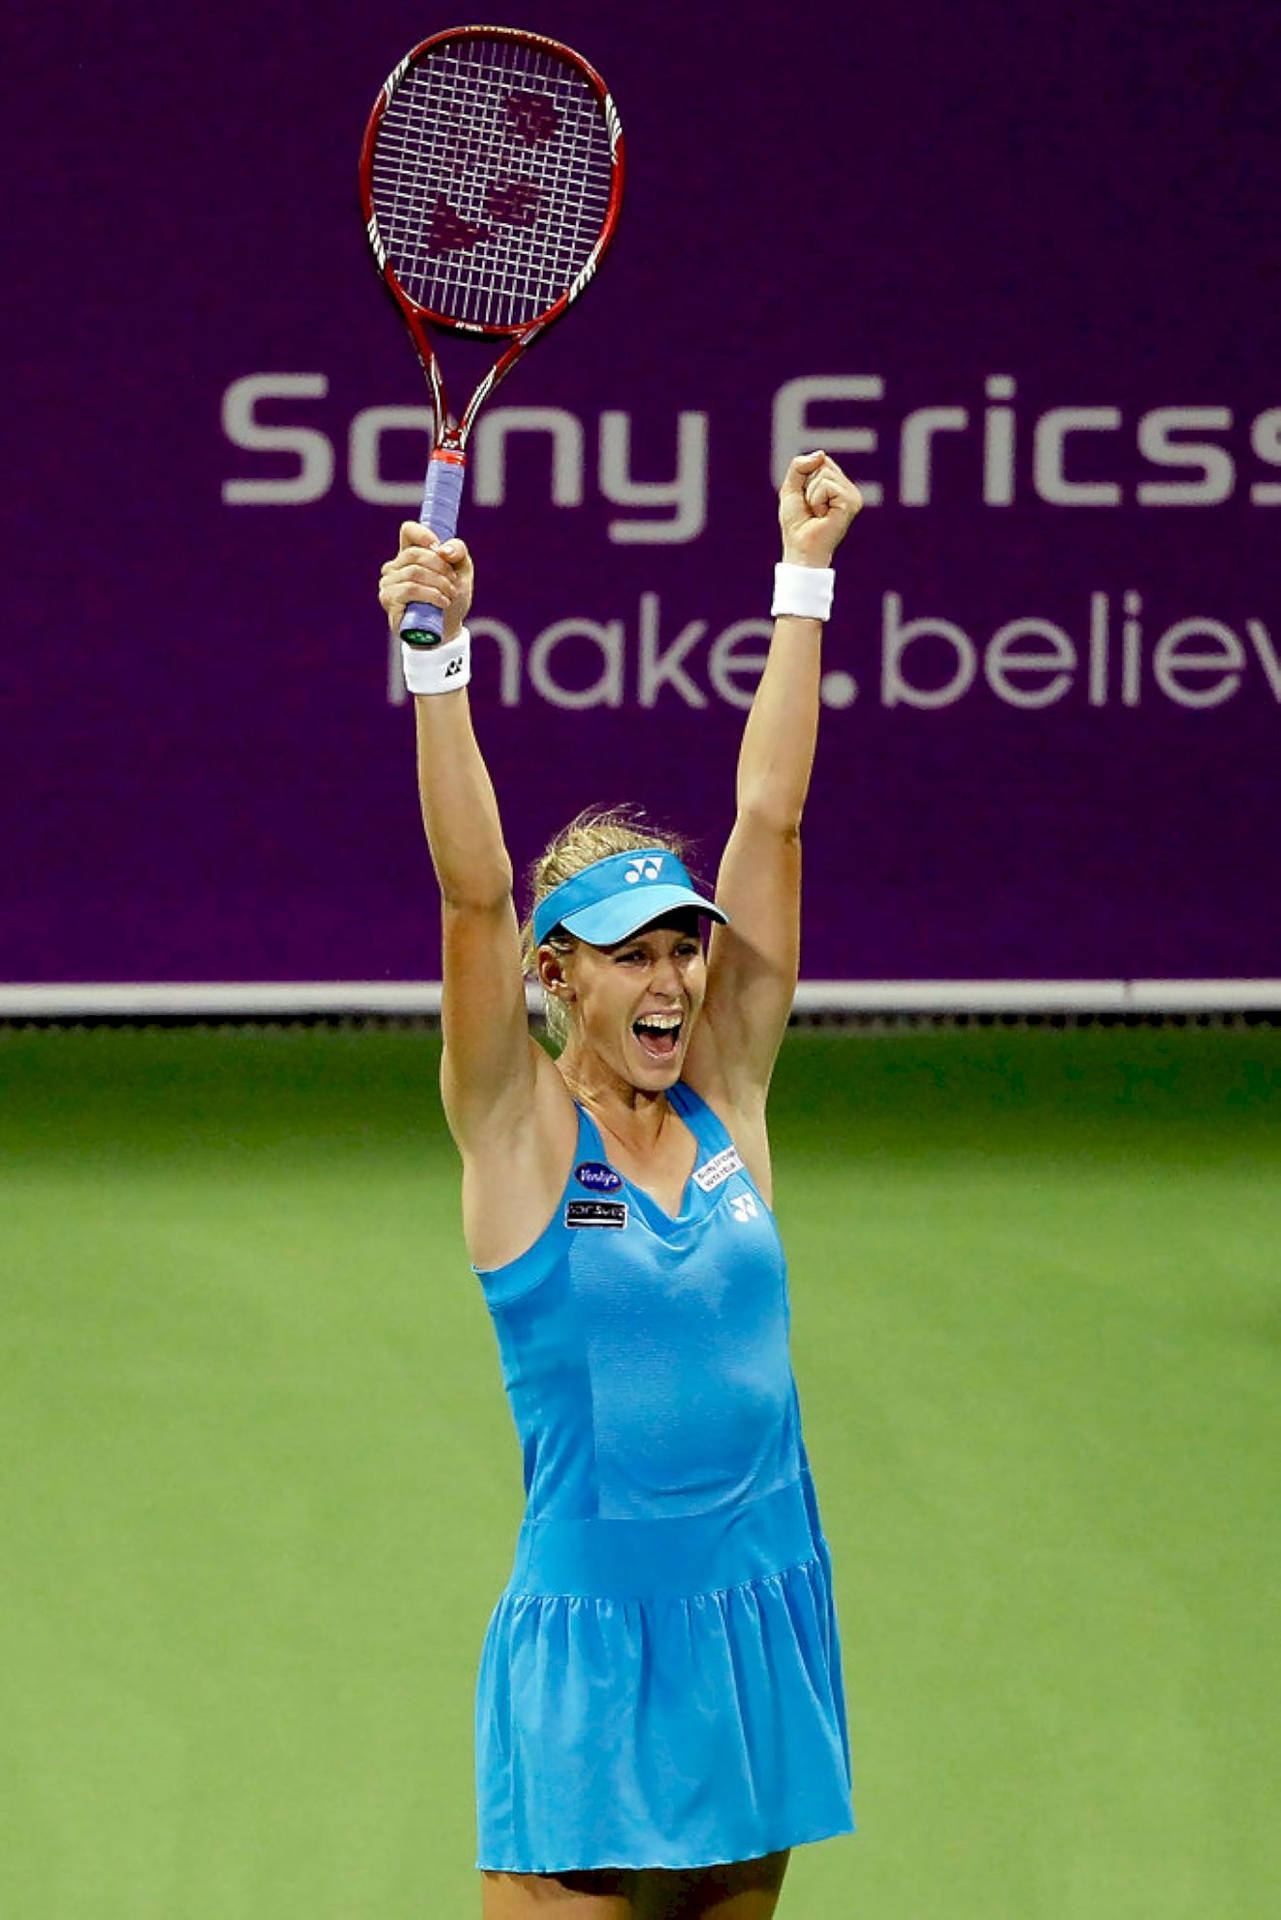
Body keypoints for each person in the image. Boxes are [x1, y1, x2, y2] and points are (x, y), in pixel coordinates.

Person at [378, 450, 863, 1919]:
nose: (670, 982)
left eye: (681, 949)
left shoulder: (727, 1092)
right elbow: (471, 892)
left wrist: (804, 574)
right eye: (631, 954)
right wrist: (436, 653)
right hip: (593, 1653)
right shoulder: (517, 1136)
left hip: (758, 1607)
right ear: (555, 974)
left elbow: (767, 821)